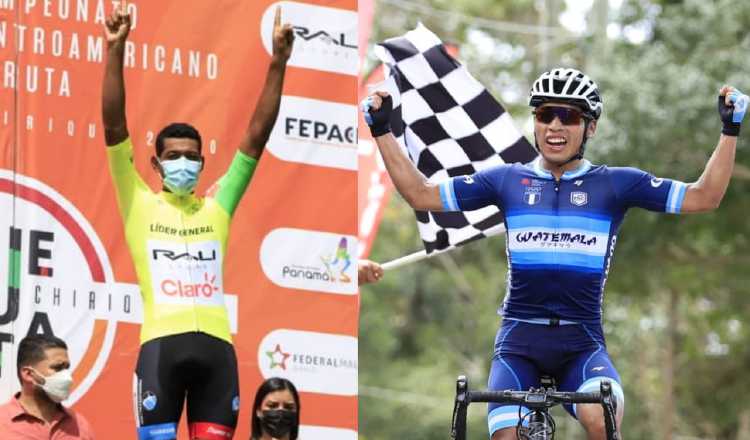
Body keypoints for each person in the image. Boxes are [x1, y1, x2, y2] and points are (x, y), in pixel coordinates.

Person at [362, 67, 746, 439]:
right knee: (506, 436)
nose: (555, 126)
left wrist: (730, 131)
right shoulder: (507, 180)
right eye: (546, 115)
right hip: (518, 345)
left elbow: (704, 196)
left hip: (581, 345)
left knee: (603, 420)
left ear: (590, 127)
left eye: (568, 117)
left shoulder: (616, 184)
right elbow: (421, 194)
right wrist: (382, 130)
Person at [101, 2, 294, 439]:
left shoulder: (217, 206)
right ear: (155, 163)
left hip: (217, 353)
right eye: (173, 157)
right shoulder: (139, 202)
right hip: (160, 351)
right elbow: (114, 127)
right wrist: (115, 51)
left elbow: (255, 137)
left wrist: (278, 63)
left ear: (204, 163)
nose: (183, 164)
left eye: (192, 157)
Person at [0, 335, 95, 439]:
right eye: (58, 368)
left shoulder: (79, 425)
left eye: (66, 368)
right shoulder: (2, 424)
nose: (67, 377)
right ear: (28, 374)